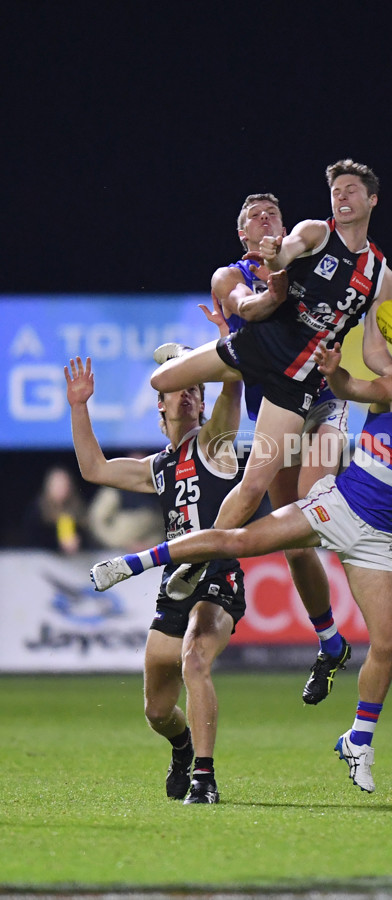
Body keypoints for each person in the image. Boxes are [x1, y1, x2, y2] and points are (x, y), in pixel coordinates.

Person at [90, 325, 392, 794]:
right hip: (333, 505)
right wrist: (335, 371)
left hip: (375, 537)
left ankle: (358, 740)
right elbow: (352, 387)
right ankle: (135, 563)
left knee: (388, 644)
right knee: (241, 539)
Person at [148, 159, 392, 591]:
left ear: (372, 200)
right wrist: (276, 256)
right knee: (161, 381)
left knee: (257, 488)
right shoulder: (315, 232)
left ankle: (196, 558)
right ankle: (187, 357)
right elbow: (286, 251)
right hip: (258, 345)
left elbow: (373, 347)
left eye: (351, 190)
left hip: (298, 380)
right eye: (336, 190)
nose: (342, 196)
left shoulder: (381, 276)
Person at [168, 192, 355, 704]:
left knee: (317, 505)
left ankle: (199, 559)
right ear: (242, 235)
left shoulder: (304, 259)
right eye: (254, 216)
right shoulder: (229, 277)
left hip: (320, 402)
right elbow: (248, 306)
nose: (266, 218)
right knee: (294, 544)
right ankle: (330, 643)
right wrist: (250, 313)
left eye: (272, 212)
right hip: (274, 409)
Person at [65, 336, 250, 806]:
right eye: (177, 389)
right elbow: (93, 469)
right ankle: (182, 747)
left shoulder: (215, 443)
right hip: (175, 585)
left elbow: (233, 385)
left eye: (195, 389)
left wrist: (231, 332)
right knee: (157, 710)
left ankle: (204, 779)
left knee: (195, 660)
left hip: (218, 575)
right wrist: (79, 406)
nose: (187, 394)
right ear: (161, 407)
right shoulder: (159, 467)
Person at [87, 452, 165, 551]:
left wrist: (148, 544)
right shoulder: (114, 489)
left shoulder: (156, 491)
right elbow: (97, 521)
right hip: (114, 552)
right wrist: (120, 543)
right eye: (135, 466)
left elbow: (161, 526)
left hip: (150, 553)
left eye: (144, 466)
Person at [21, 466, 89, 554]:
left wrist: (78, 542)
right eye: (57, 485)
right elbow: (31, 540)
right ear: (49, 486)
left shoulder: (78, 509)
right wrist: (57, 543)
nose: (61, 489)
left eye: (64, 485)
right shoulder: (38, 511)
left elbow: (88, 537)